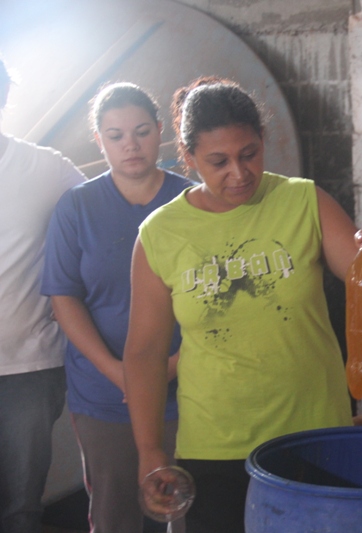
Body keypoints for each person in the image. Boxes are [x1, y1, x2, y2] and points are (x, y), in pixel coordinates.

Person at [123, 77, 362, 533]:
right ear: (188, 155)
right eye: (218, 161)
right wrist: (150, 449)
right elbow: (144, 353)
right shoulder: (161, 234)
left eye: (249, 154)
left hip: (316, 433)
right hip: (215, 445)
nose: (239, 173)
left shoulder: (302, 200)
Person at [40, 83, 193, 533]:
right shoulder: (77, 207)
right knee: (114, 514)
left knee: (188, 509)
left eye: (142, 131)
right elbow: (63, 298)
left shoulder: (194, 202)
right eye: (116, 135)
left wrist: (171, 366)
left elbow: (215, 298)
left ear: (161, 132)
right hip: (103, 395)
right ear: (100, 140)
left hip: (188, 388)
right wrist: (117, 371)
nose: (131, 145)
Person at [0, 58, 86, 533]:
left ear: (5, 94)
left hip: (27, 371)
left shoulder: (44, 168)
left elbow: (110, 208)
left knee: (21, 509)